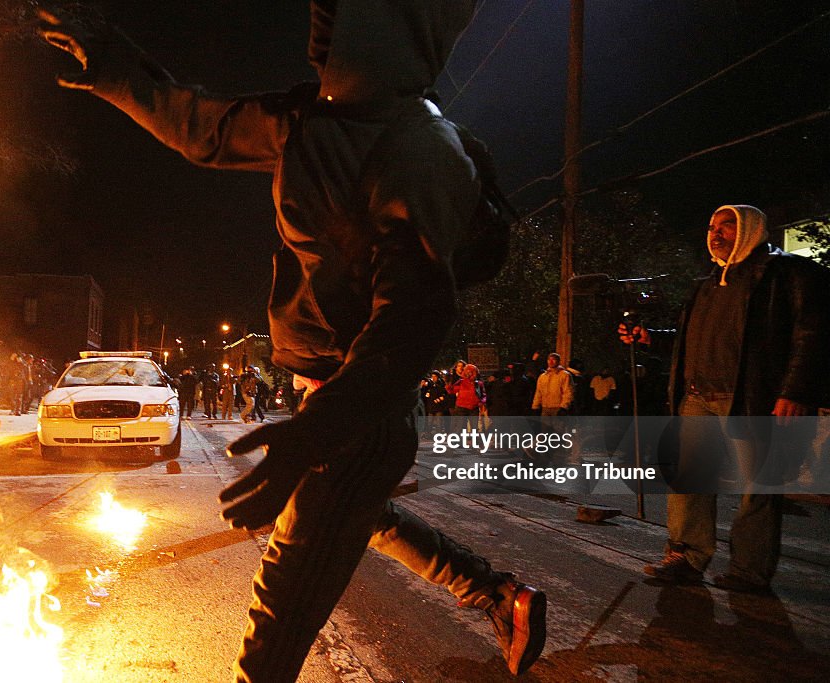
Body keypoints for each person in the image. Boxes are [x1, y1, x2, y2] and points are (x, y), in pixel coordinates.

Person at [40, 2, 546, 679]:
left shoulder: (424, 154)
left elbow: (410, 321)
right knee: (365, 516)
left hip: (359, 415)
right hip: (327, 403)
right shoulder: (312, 117)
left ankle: (494, 593)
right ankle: (499, 595)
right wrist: (116, 67)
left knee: (278, 611)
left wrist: (314, 435)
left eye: (342, 18)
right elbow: (203, 128)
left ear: (392, 28)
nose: (322, 39)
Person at [621, 205, 830, 593]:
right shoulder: (707, 283)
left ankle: (749, 571)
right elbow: (696, 339)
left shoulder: (786, 275)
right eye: (712, 227)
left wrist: (796, 391)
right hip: (698, 396)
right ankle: (686, 557)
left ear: (751, 229)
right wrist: (653, 337)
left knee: (758, 487)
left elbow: (812, 335)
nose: (716, 234)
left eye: (727, 226)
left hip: (753, 397)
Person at [531, 352, 573, 417]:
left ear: (558, 361)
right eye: (549, 359)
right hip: (545, 407)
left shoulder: (565, 375)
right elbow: (538, 392)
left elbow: (568, 392)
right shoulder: (543, 376)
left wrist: (564, 407)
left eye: (553, 359)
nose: (551, 362)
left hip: (558, 407)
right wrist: (535, 406)